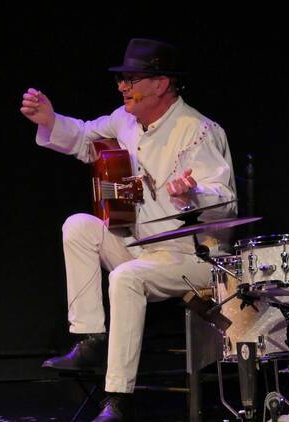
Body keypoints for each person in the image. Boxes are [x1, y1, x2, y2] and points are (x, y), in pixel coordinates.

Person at [19, 38, 236, 421]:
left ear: (161, 83)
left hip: (193, 258)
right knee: (79, 226)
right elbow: (88, 137)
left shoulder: (199, 131)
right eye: (123, 79)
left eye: (132, 79)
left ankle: (119, 398)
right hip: (143, 247)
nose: (123, 87)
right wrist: (51, 121)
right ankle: (93, 337)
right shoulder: (125, 119)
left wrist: (194, 193)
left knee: (126, 278)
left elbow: (226, 202)